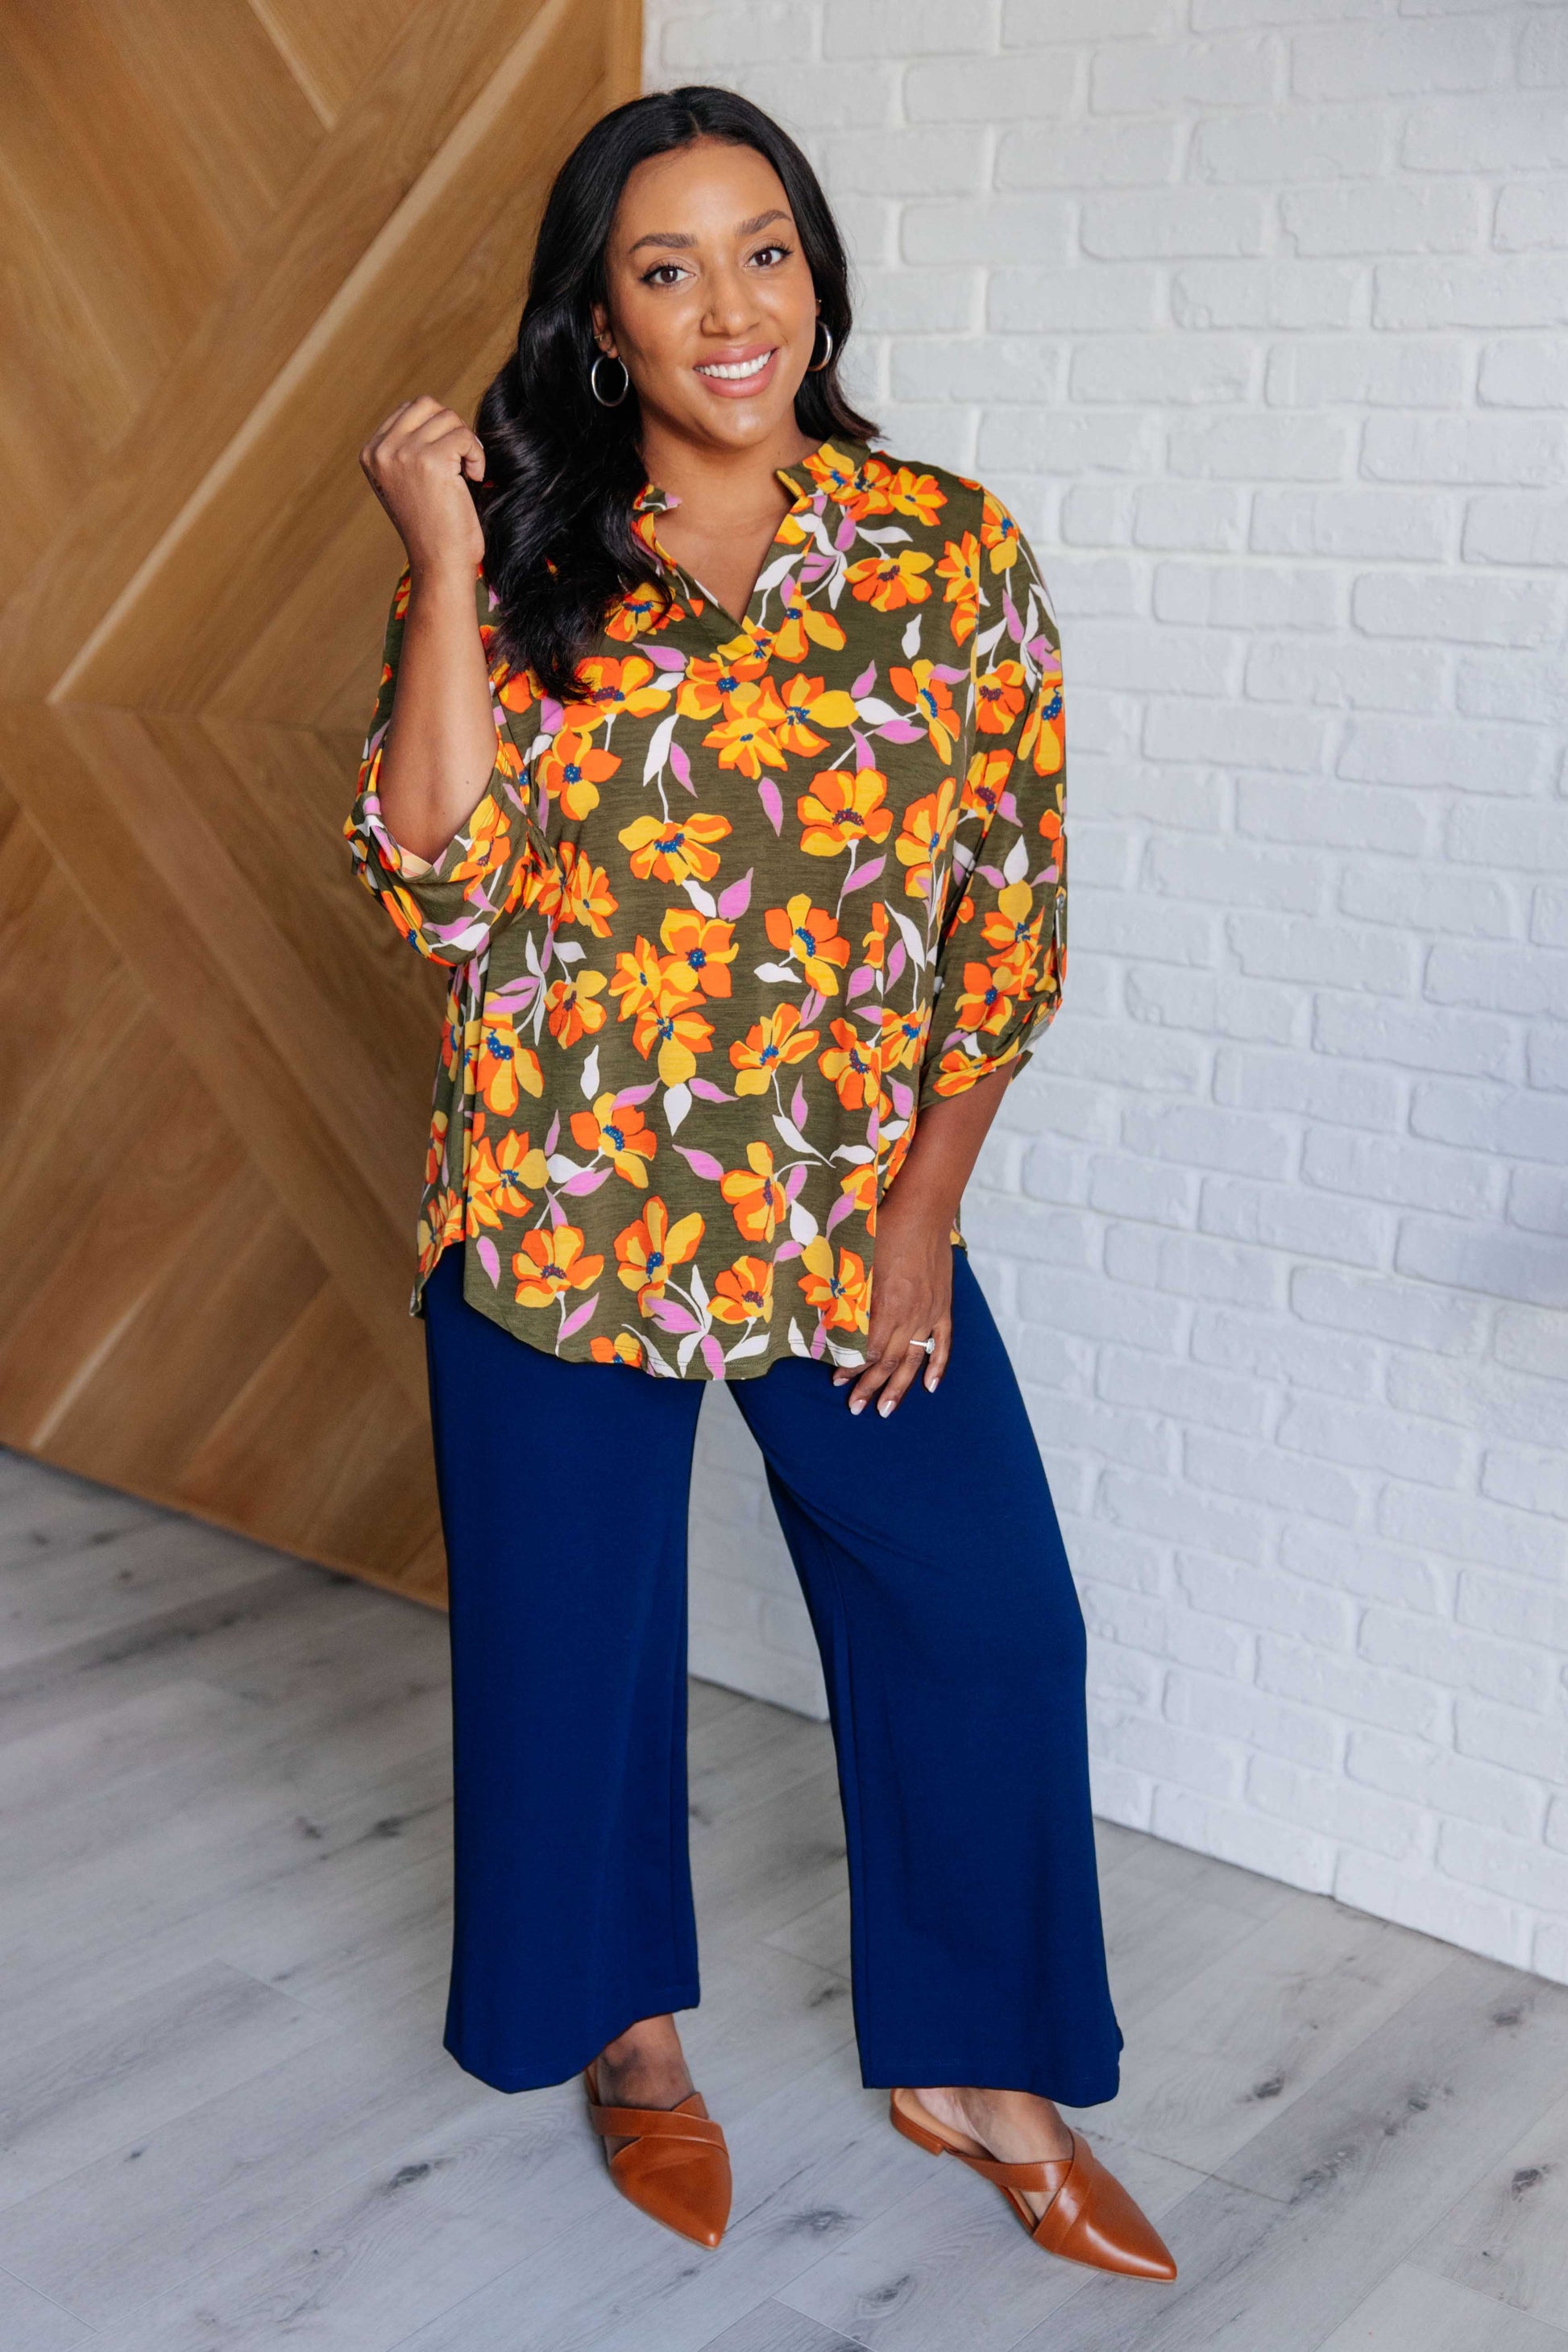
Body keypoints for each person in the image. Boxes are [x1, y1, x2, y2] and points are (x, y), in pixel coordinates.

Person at [346, 85, 1175, 2283]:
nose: (729, 308)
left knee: (989, 1618)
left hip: (838, 1216)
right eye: (667, 267)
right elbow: (436, 893)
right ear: (600, 318)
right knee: (571, 1661)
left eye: (764, 251)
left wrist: (923, 1222)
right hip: (558, 1207)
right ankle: (626, 2036)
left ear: (816, 278)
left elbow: (1006, 918)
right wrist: (446, 566)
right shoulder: (530, 555)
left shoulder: (943, 552)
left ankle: (978, 2067)